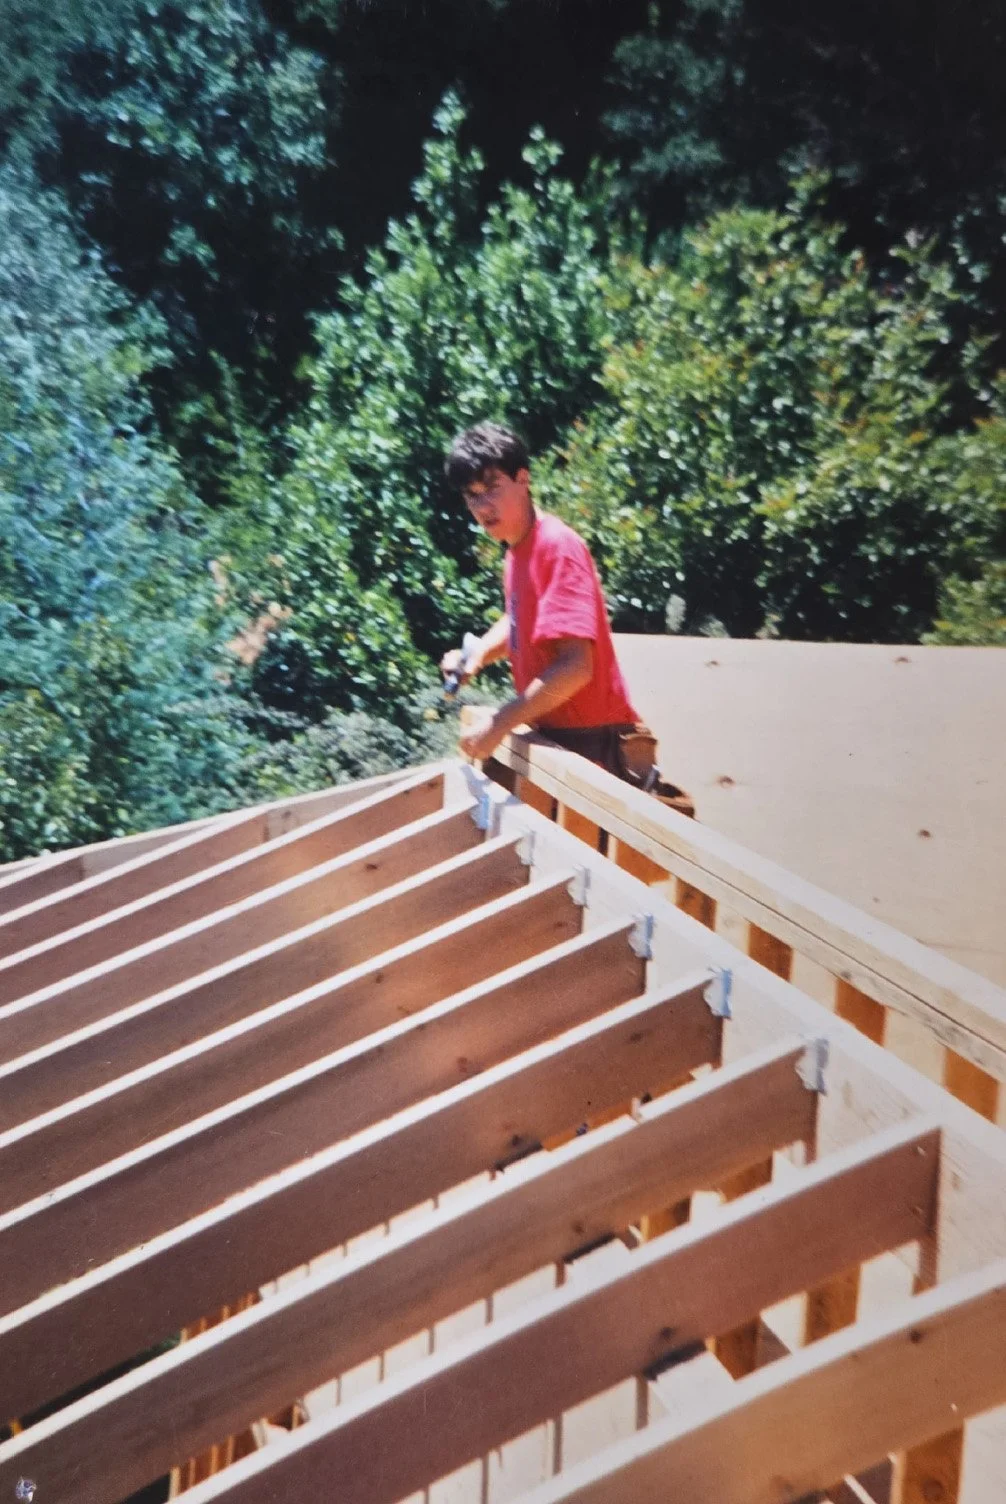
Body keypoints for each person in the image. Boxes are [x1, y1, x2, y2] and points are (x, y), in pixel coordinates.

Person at [440, 421, 691, 811]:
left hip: (600, 748)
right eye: (471, 496)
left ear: (523, 479)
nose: (482, 506)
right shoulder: (516, 551)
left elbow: (576, 668)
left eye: (491, 488)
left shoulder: (556, 546)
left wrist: (501, 722)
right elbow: (521, 621)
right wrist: (476, 657)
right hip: (560, 742)